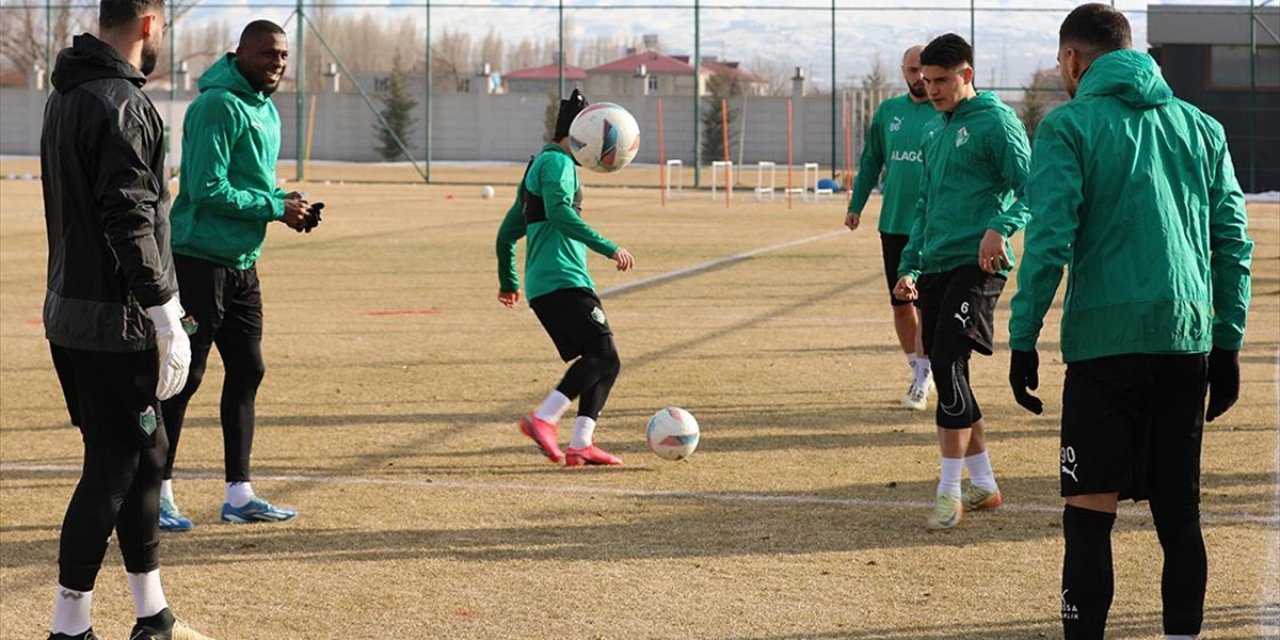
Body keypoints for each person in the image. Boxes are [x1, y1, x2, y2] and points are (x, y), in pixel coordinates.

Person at [1007, 5, 1253, 639]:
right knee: (1179, 514)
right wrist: (1225, 345)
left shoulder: (1068, 126)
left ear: (1071, 59)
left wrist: (1023, 336)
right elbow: (1232, 241)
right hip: (1185, 340)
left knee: (1088, 513)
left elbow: (1050, 238)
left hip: (1104, 349)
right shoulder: (1202, 126)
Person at [40, 2, 215, 638]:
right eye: (163, 27)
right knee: (113, 467)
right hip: (118, 322)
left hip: (74, 311)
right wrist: (164, 310)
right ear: (148, 23)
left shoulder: (69, 93)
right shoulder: (120, 100)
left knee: (147, 456)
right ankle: (69, 627)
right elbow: (130, 217)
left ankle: (153, 615)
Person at [158, 19, 315, 530]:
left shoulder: (264, 108)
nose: (278, 63)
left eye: (284, 56)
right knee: (185, 377)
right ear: (241, 53)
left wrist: (288, 205)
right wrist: (273, 206)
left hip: (242, 263)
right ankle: (157, 491)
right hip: (199, 259)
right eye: (268, 53)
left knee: (249, 370)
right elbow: (205, 189)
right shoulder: (217, 106)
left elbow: (252, 186)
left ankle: (239, 494)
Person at [893, 33, 1031, 530]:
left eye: (941, 80)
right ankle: (986, 485)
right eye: (924, 80)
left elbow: (1032, 187)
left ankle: (948, 492)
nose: (930, 88)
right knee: (951, 372)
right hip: (935, 265)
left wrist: (1001, 226)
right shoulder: (933, 129)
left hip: (979, 265)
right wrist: (910, 264)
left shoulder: (996, 123)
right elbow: (925, 204)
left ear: (967, 75)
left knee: (947, 362)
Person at [495, 89, 636, 467]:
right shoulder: (557, 164)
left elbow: (507, 233)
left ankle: (581, 444)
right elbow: (559, 214)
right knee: (602, 352)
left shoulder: (538, 166)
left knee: (607, 360)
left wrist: (509, 282)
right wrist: (608, 247)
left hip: (551, 284)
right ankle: (543, 418)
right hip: (562, 279)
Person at [844, 44, 935, 411]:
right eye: (912, 71)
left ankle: (924, 378)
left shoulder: (944, 112)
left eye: (924, 71)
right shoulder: (889, 112)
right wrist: (856, 205)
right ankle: (918, 371)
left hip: (931, 225)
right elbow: (871, 160)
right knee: (902, 304)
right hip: (894, 223)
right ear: (903, 71)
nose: (918, 78)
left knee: (928, 304)